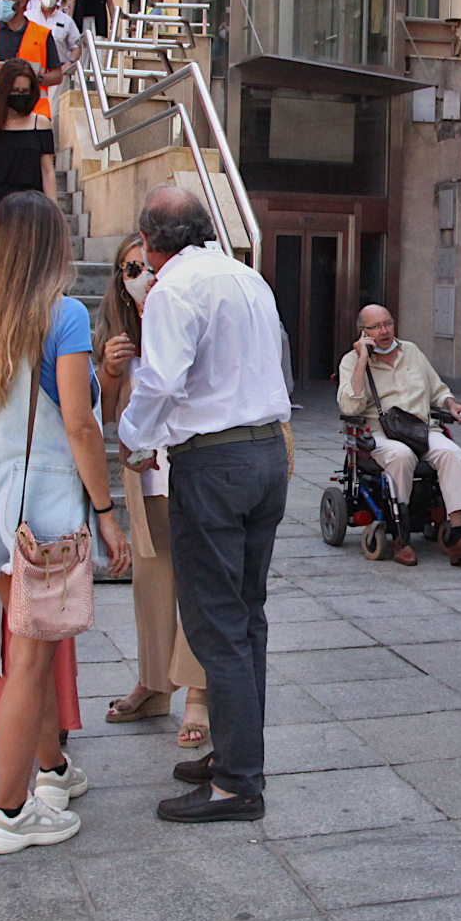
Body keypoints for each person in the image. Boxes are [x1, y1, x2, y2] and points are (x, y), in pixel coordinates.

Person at [0, 191, 126, 852]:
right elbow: (79, 423)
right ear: (52, 246)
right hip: (44, 507)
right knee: (31, 660)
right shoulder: (63, 315)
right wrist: (107, 512)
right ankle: (9, 812)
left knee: (29, 648)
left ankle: (54, 771)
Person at [114, 187, 291, 826]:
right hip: (266, 452)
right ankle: (237, 756)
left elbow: (161, 380)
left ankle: (238, 781)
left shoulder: (173, 289)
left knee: (218, 621)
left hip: (214, 460)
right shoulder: (247, 278)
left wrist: (134, 441)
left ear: (149, 242)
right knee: (247, 618)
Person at [97, 233, 208, 748]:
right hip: (143, 473)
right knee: (151, 578)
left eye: (145, 265)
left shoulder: (186, 307)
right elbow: (108, 416)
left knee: (198, 580)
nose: (140, 277)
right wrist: (109, 370)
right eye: (129, 269)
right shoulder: (119, 333)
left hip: (193, 464)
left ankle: (198, 697)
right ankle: (153, 682)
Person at [335, 304, 461, 566]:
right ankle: (400, 537)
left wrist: (451, 404)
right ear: (363, 332)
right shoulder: (351, 361)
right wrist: (362, 359)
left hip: (420, 429)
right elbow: (350, 406)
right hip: (380, 434)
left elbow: (438, 390)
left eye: (388, 324)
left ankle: (459, 538)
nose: (384, 331)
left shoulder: (412, 352)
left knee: (453, 453)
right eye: (376, 327)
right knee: (401, 455)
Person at [0, 59, 57, 241]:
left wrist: (53, 213)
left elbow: (47, 171)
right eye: (14, 91)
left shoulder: (41, 124)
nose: (19, 96)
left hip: (28, 208)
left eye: (24, 92)